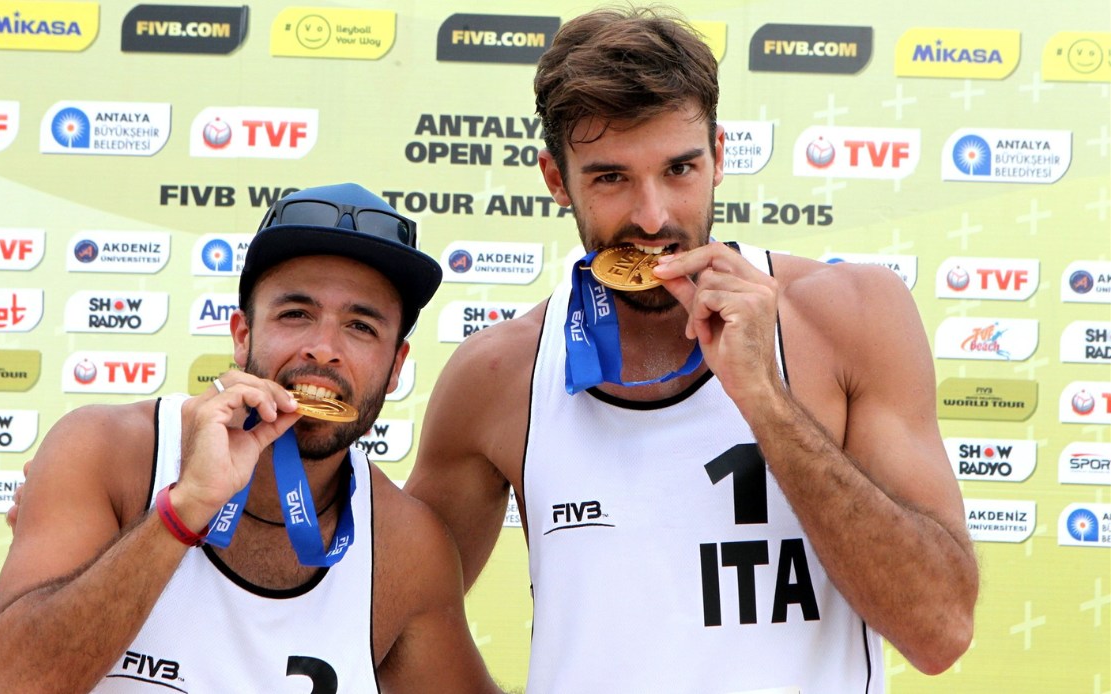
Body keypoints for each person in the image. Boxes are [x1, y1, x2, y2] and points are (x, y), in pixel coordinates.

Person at [404, 7, 978, 693]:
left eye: (679, 168)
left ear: (718, 156)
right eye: (610, 178)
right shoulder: (497, 374)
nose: (652, 216)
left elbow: (938, 629)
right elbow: (394, 623)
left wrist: (764, 398)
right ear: (556, 181)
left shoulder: (849, 314)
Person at [0, 183, 499, 693]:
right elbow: (12, 684)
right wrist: (184, 509)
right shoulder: (107, 451)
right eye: (296, 314)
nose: (323, 349)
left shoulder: (405, 544)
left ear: (395, 368)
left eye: (361, 326)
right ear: (242, 335)